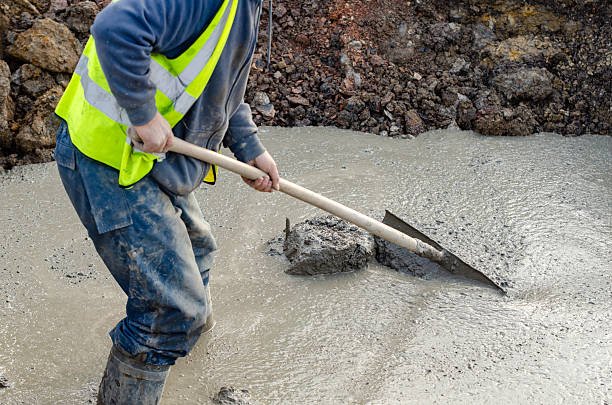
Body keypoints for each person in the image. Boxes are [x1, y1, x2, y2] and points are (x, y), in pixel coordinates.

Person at [53, 0, 278, 403]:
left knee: (198, 250)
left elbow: (216, 81)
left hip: (151, 159)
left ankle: (177, 350)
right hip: (107, 157)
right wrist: (142, 112)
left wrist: (247, 146)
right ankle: (158, 348)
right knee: (169, 308)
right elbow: (114, 27)